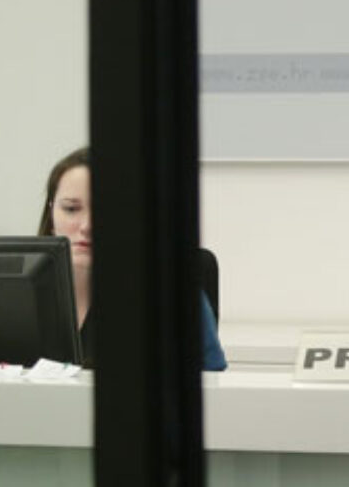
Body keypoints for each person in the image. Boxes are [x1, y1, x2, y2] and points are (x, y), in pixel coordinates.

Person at [39, 147, 226, 370]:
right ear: (51, 214)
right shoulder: (22, 288)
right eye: (71, 209)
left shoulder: (168, 288)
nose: (86, 226)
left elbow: (208, 379)